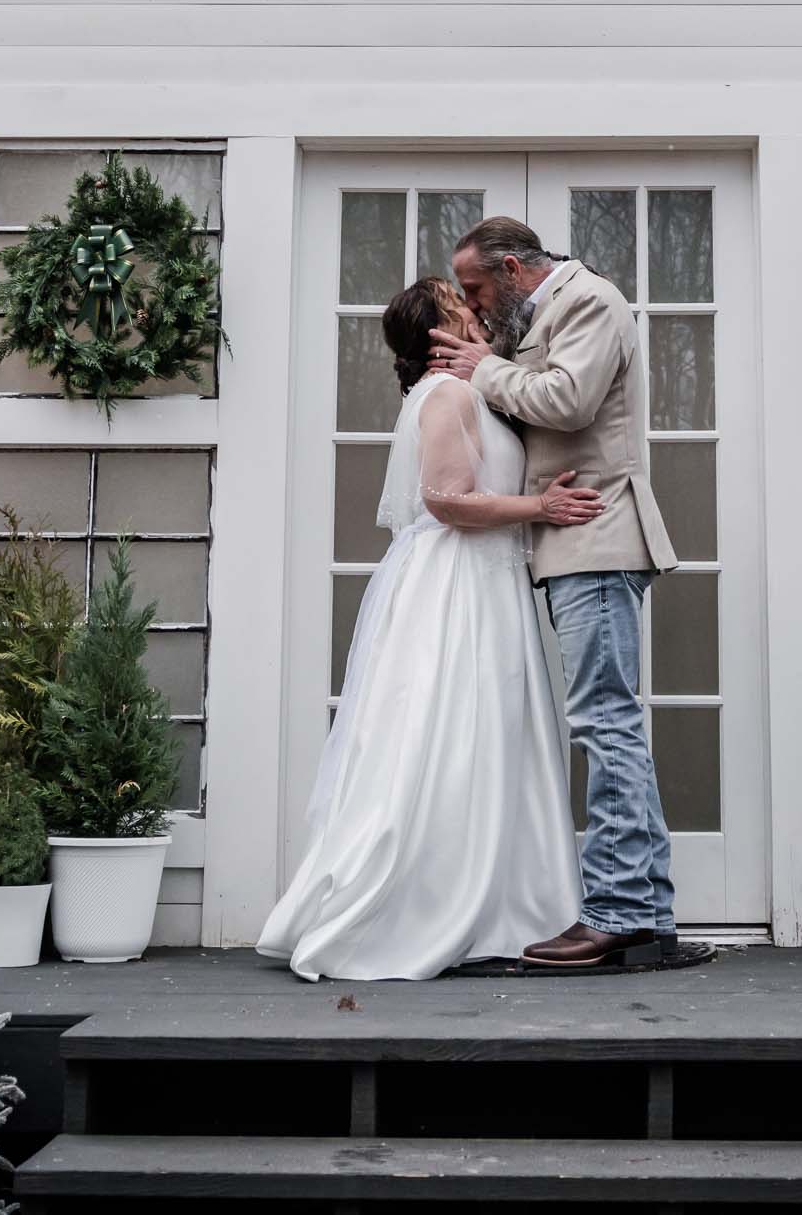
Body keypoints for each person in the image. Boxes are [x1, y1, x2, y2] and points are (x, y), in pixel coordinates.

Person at [256, 278, 600, 981]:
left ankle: (508, 902)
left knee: (490, 738)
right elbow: (446, 500)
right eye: (462, 305)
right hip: (458, 586)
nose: (478, 311)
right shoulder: (444, 396)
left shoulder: (473, 387)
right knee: (450, 738)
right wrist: (541, 505)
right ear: (438, 329)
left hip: (491, 578)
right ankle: (432, 903)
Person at [429, 217, 683, 970]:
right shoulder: (535, 317)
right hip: (569, 545)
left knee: (606, 723)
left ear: (511, 267)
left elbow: (569, 400)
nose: (474, 304)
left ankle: (620, 912)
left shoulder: (591, 303)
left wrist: (481, 369)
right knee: (611, 721)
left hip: (598, 540)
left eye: (476, 287)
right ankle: (649, 914)